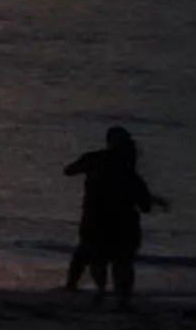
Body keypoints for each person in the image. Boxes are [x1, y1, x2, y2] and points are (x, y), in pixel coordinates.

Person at [63, 126, 166, 307]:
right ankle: (122, 298)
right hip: (123, 225)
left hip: (94, 220)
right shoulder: (130, 174)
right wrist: (153, 200)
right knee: (122, 262)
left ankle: (96, 291)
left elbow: (69, 170)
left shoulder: (94, 159)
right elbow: (145, 206)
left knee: (91, 256)